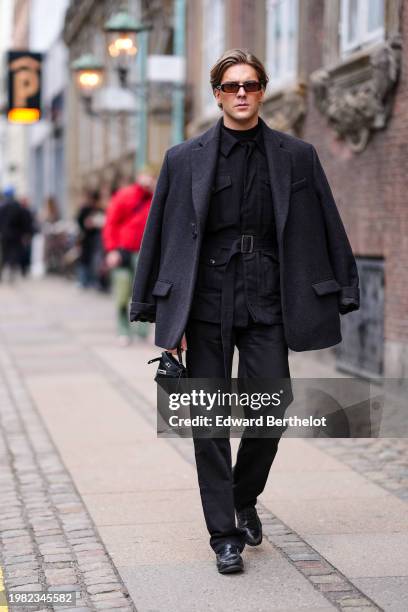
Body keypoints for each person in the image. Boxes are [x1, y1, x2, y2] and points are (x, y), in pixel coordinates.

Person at [129, 49, 360, 574]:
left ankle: (242, 495)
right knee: (208, 423)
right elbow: (160, 234)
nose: (240, 94)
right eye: (231, 85)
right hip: (205, 301)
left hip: (268, 299)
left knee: (271, 409)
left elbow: (326, 218)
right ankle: (224, 536)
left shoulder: (296, 155)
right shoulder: (184, 157)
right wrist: (159, 312)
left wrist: (343, 284)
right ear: (216, 93)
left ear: (261, 91)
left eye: (250, 85)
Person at [103, 166, 157, 345]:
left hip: (145, 252)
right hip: (123, 251)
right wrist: (111, 249)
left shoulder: (156, 199)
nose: (150, 181)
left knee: (143, 293)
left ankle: (142, 330)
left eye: (153, 177)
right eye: (148, 176)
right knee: (122, 292)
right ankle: (123, 330)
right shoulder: (126, 195)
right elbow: (111, 222)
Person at [76, 189, 104, 288]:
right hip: (86, 238)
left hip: (96, 238)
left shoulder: (100, 210)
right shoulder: (85, 209)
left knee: (95, 260)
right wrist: (86, 224)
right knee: (84, 259)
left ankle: (93, 281)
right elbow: (79, 222)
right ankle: (83, 280)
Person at [0, 186, 27, 282]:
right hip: (15, 235)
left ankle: (4, 271)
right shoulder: (17, 206)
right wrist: (25, 232)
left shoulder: (2, 206)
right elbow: (23, 222)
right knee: (13, 254)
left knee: (4, 254)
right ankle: (10, 271)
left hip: (5, 234)